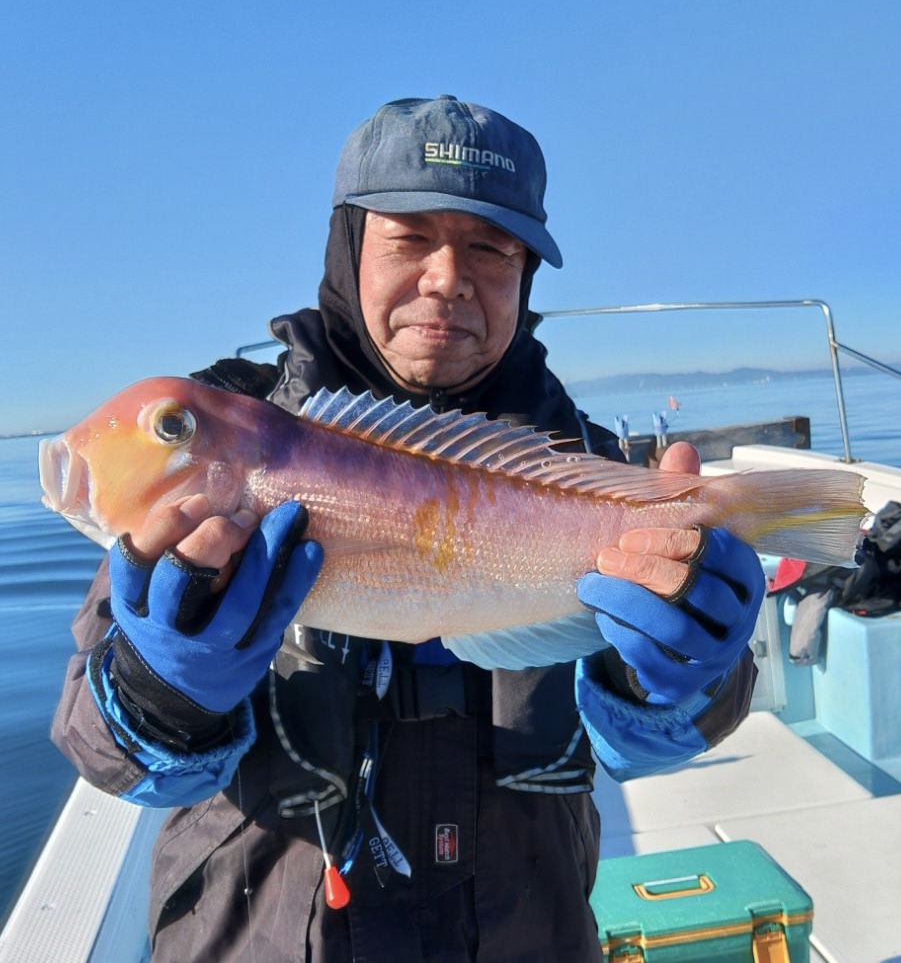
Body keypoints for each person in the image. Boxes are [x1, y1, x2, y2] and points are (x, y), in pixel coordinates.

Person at [53, 95, 763, 963]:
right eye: (410, 237)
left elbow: (635, 755)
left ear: (524, 275)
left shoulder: (595, 469)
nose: (446, 278)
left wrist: (682, 680)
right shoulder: (231, 436)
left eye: (490, 248)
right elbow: (103, 751)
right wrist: (159, 688)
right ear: (349, 248)